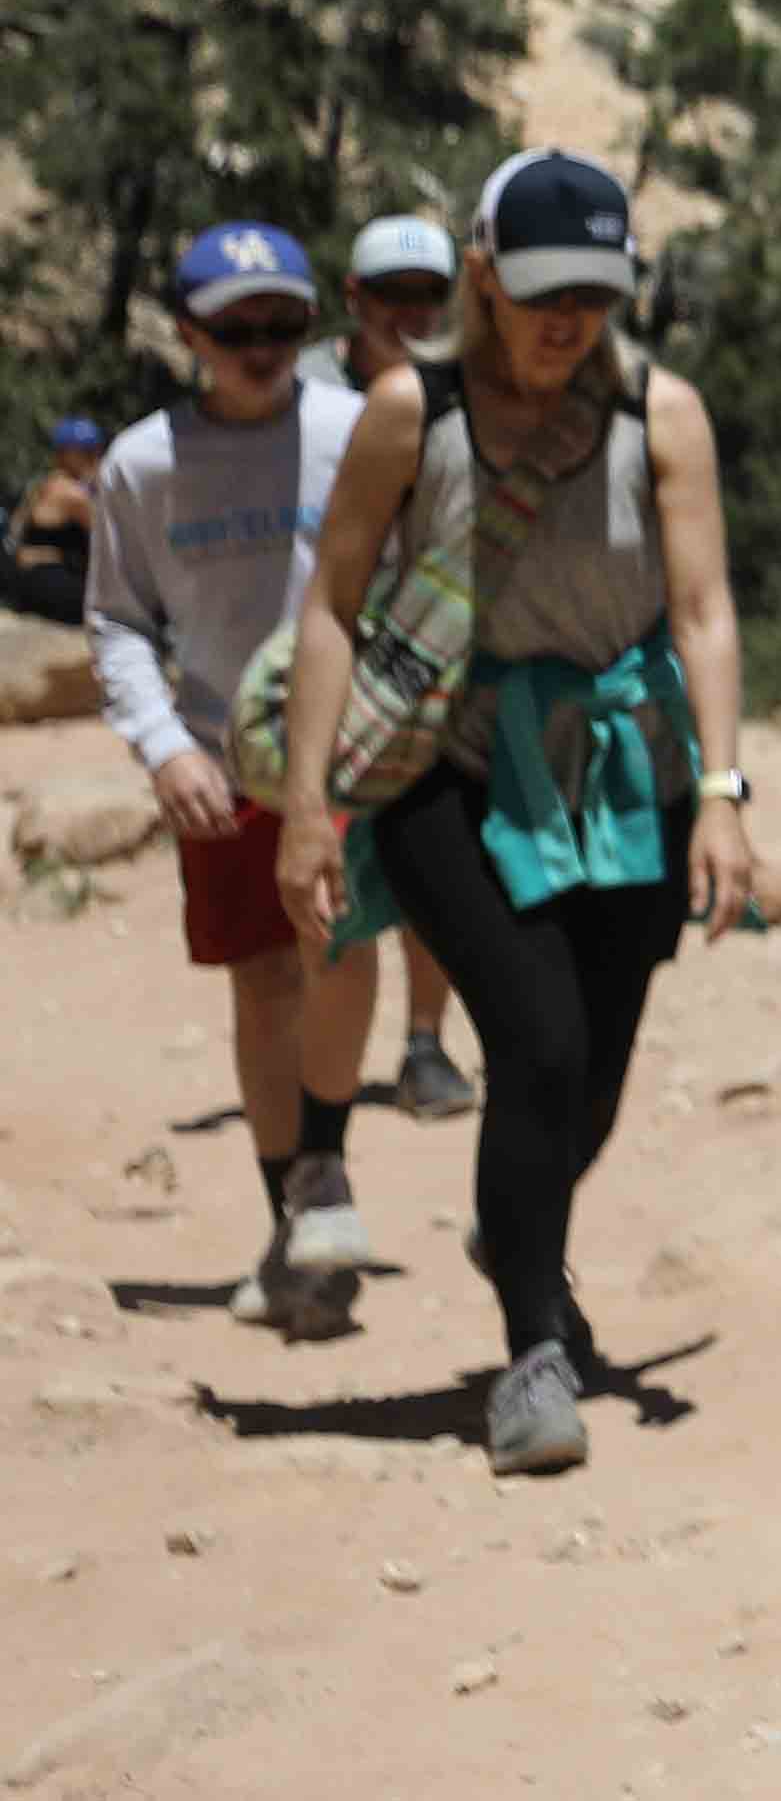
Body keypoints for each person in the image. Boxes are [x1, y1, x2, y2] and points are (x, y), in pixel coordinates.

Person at [278, 150, 759, 1478]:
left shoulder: (663, 416)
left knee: (589, 1077)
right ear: (482, 276)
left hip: (627, 774)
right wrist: (308, 807)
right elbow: (328, 608)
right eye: (545, 292)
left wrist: (721, 793)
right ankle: (533, 1349)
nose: (569, 321)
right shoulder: (406, 411)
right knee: (538, 1039)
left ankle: (521, 1220)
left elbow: (707, 610)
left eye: (594, 296)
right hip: (455, 764)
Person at [79, 224, 385, 1335]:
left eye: (283, 324)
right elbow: (117, 619)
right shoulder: (142, 464)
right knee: (262, 981)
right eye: (235, 327)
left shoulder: (355, 432)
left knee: (340, 948)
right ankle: (292, 1210)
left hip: (346, 752)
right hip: (218, 755)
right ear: (188, 333)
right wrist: (163, 744)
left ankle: (329, 1161)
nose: (260, 347)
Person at [331, 212, 482, 1124]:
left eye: (431, 297)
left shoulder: (474, 393)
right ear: (356, 300)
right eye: (395, 299)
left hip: (433, 653)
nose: (415, 314)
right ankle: (319, 1064)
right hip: (330, 646)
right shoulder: (309, 393)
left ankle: (425, 1042)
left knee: (436, 853)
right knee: (333, 858)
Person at [7, 415, 96, 626]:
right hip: (54, 585)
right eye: (86, 452)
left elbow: (15, 535)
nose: (94, 458)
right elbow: (107, 539)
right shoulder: (74, 494)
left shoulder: (40, 486)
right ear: (65, 455)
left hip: (23, 582)